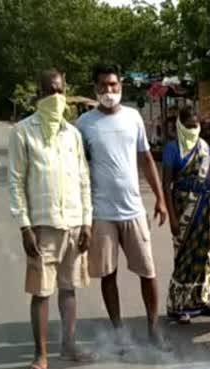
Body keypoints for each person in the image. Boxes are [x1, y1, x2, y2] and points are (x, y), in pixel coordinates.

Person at [7, 69, 95, 369]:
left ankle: (68, 345)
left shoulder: (72, 134)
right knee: (41, 292)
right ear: (39, 94)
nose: (56, 98)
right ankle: (40, 355)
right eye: (50, 91)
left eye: (60, 91)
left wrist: (87, 222)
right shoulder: (23, 132)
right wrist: (24, 226)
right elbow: (16, 182)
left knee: (69, 289)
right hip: (42, 225)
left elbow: (84, 179)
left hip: (73, 222)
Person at [76, 63, 169, 349]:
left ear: (121, 85)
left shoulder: (133, 118)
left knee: (148, 271)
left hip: (133, 209)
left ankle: (154, 328)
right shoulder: (84, 125)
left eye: (113, 84)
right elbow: (78, 170)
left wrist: (161, 199)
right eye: (103, 85)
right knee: (108, 274)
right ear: (95, 88)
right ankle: (118, 332)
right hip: (101, 212)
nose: (109, 90)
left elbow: (146, 159)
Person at [162, 107, 210, 323]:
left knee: (203, 254)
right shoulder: (172, 149)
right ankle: (180, 305)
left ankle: (201, 300)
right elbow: (166, 185)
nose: (192, 130)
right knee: (184, 257)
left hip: (203, 207)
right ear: (180, 126)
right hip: (182, 207)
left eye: (195, 126)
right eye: (188, 126)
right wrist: (172, 217)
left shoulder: (204, 147)